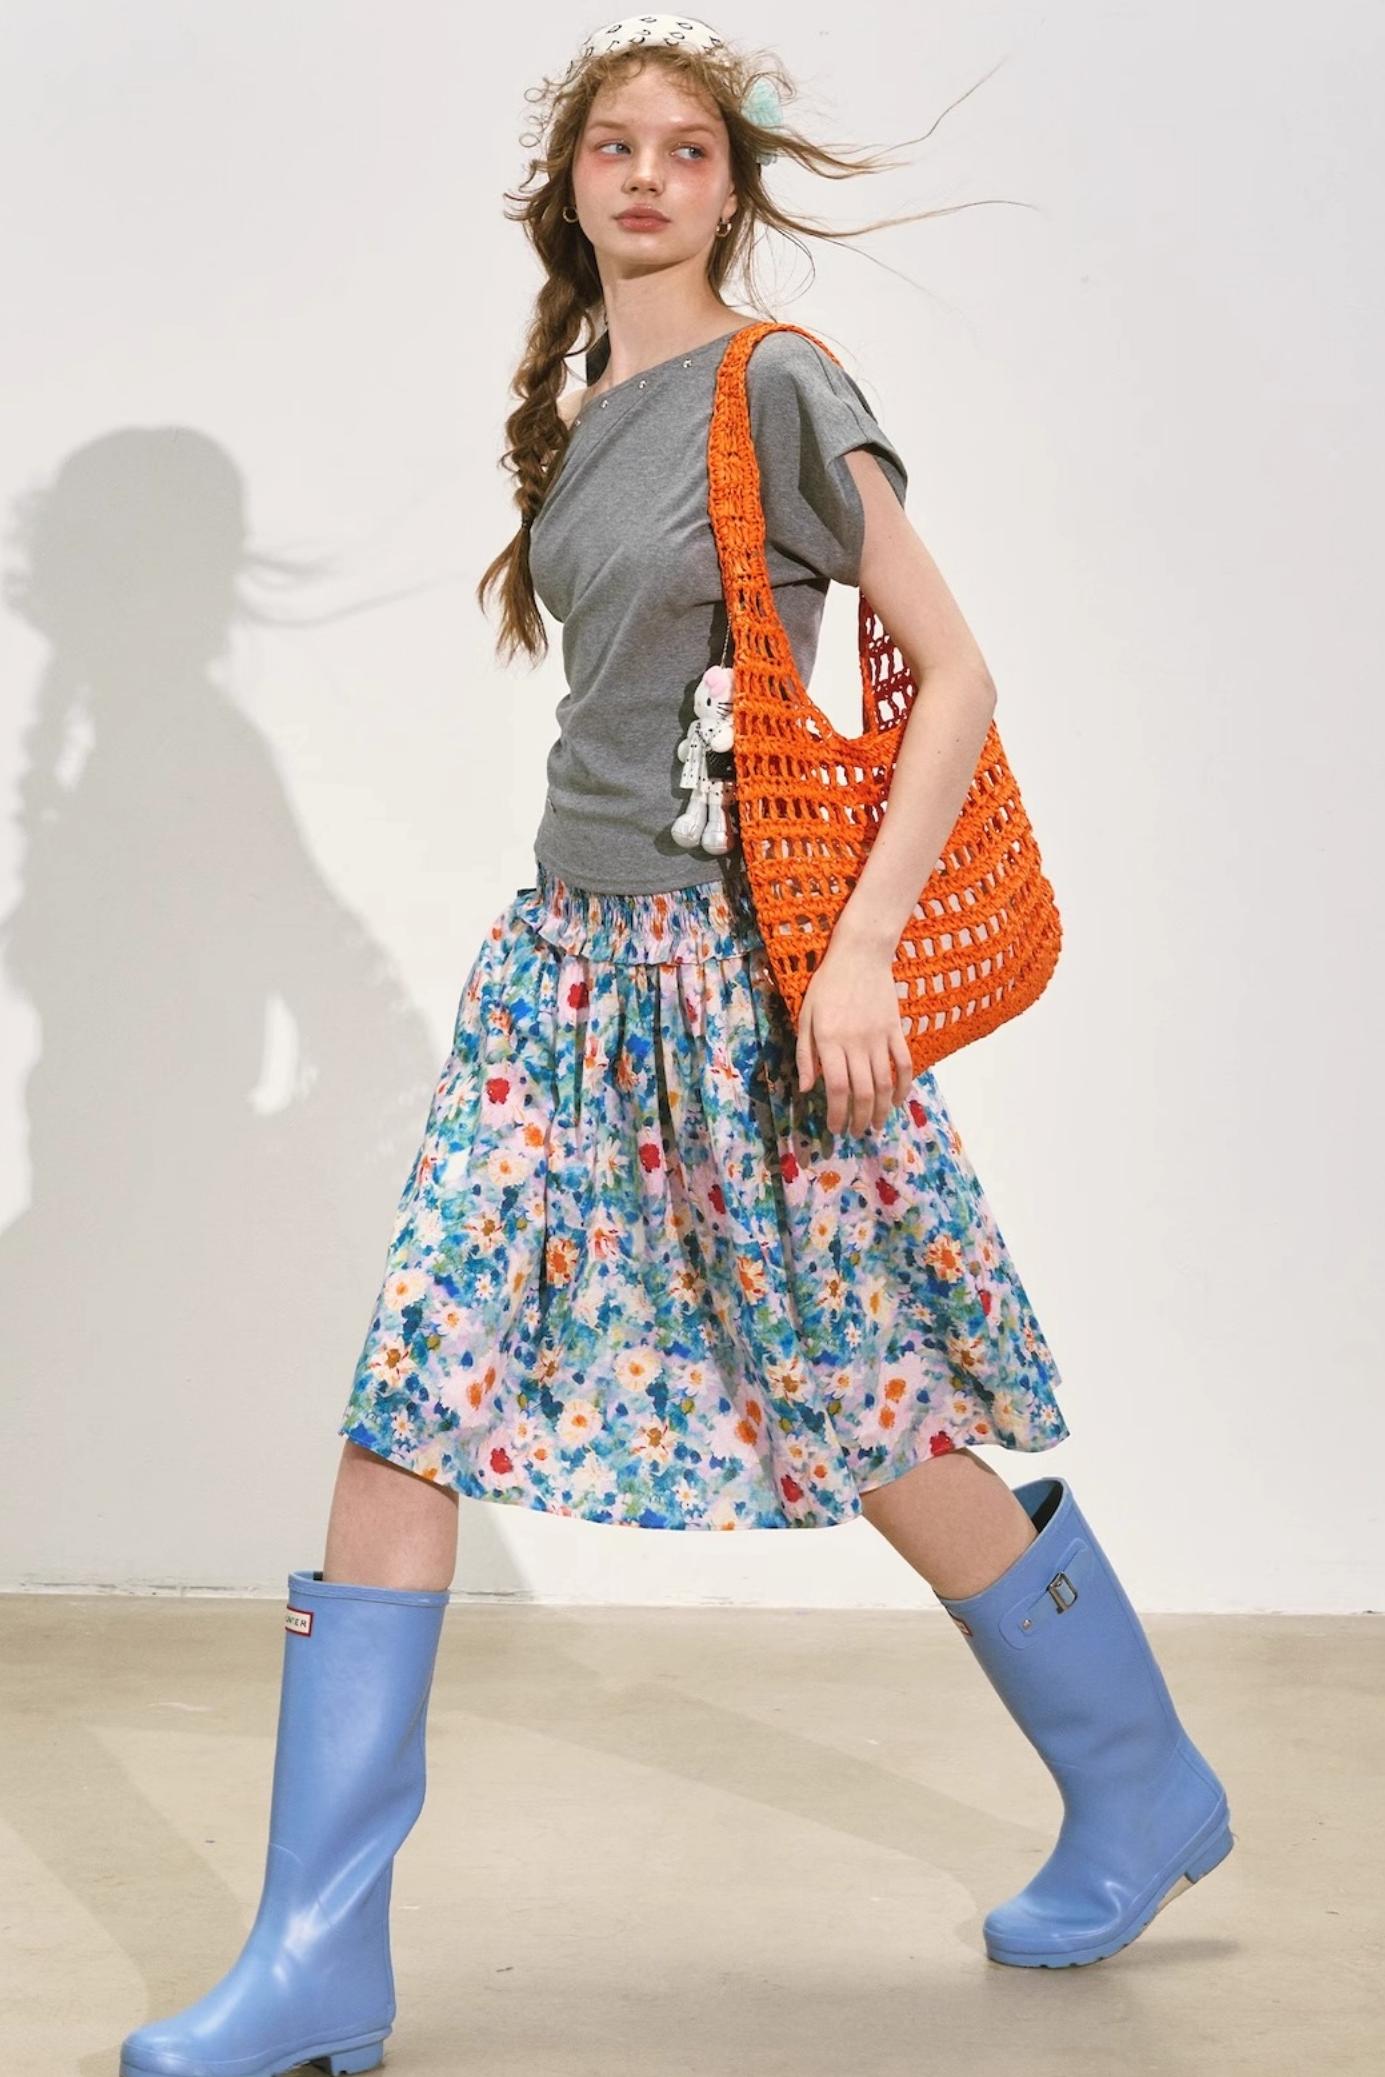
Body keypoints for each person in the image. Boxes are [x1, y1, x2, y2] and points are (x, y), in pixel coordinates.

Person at [120, 17, 1233, 2075]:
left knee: (872, 1409)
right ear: (571, 188)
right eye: (613, 147)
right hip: (556, 977)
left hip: (739, 991)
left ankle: (1142, 1781)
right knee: (409, 1396)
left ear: (732, 186)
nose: (646, 174)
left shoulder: (778, 385)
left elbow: (957, 673)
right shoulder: (581, 404)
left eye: (687, 148)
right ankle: (318, 1956)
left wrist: (863, 951)